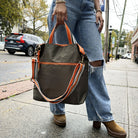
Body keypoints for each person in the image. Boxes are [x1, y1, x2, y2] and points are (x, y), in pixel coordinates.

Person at [47, 0, 127, 137]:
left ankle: (102, 114)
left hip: (88, 8)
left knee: (96, 61)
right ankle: (57, 109)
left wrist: (98, 10)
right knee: (61, 61)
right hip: (66, 3)